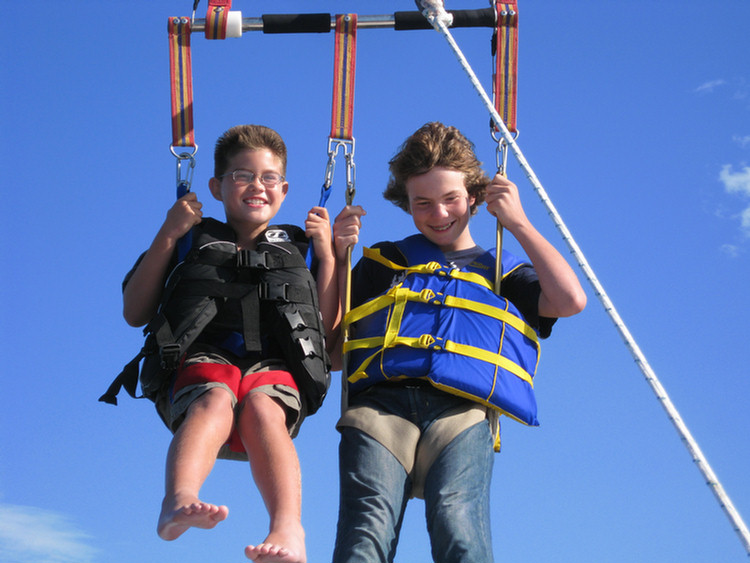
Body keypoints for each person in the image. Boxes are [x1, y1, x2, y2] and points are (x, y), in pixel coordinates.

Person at [331, 122, 587, 563]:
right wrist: (337, 256)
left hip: (461, 411)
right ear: (406, 205)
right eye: (423, 203)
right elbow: (333, 352)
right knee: (365, 534)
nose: (439, 213)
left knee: (458, 527)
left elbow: (570, 300)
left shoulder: (501, 271)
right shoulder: (384, 262)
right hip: (380, 409)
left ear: (473, 196)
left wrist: (519, 222)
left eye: (450, 199)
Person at [120, 124, 340, 563]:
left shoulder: (303, 247)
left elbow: (330, 340)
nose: (257, 186)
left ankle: (288, 528)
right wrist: (168, 232)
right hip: (199, 362)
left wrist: (332, 253)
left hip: (276, 366)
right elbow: (134, 312)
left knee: (263, 407)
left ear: (285, 188)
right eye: (242, 175)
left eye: (269, 177)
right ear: (216, 186)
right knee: (215, 396)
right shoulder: (188, 237)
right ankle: (178, 498)